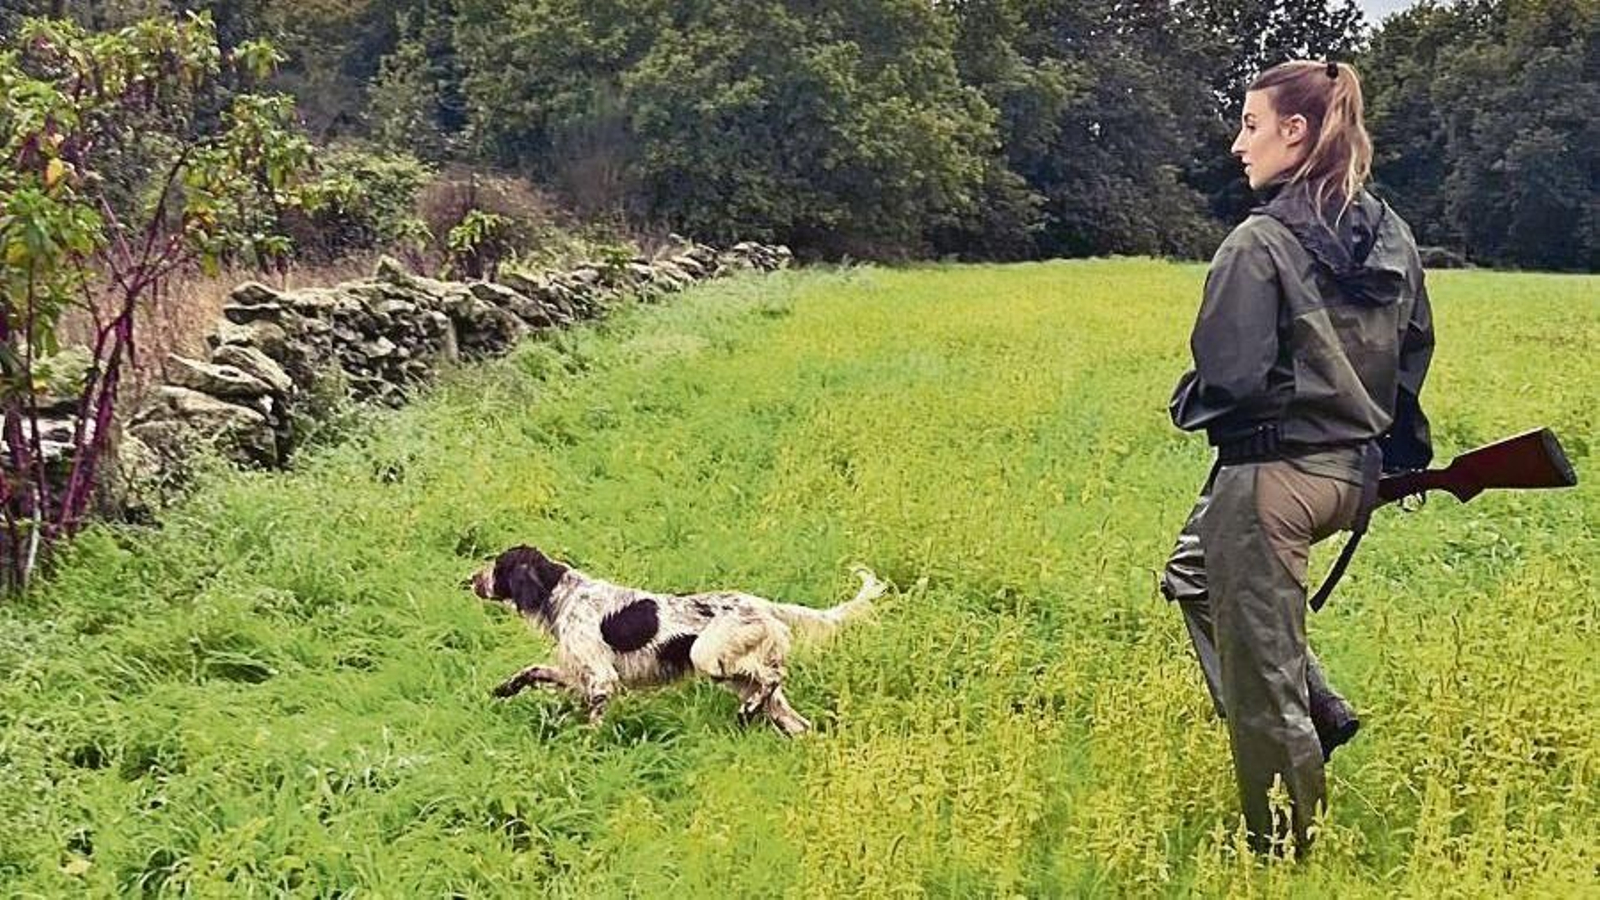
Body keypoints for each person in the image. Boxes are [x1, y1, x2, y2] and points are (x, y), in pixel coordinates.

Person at [1160, 59, 1435, 852]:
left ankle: (1285, 847)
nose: (1236, 145)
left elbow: (1230, 378)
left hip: (1271, 481)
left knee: (1261, 679)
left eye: (1250, 125)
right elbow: (1415, 352)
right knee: (1190, 573)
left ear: (1296, 131)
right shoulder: (1394, 236)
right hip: (1353, 475)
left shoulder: (1258, 243)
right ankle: (1326, 710)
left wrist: (1190, 398)